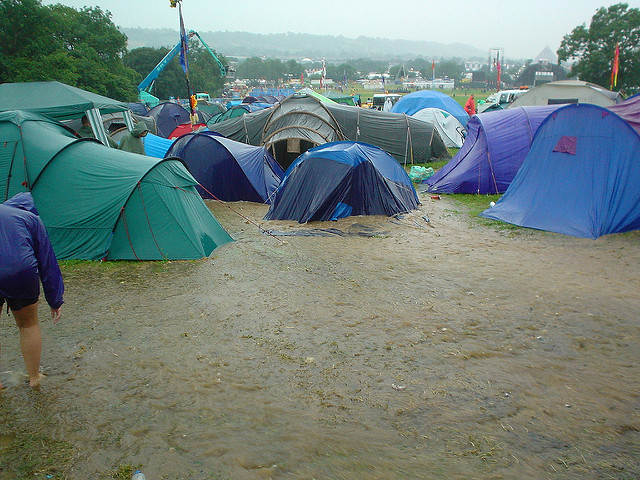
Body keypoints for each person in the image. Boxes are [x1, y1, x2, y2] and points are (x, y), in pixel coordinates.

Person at [0, 192, 64, 389]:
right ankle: (34, 378)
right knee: (28, 326)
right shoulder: (32, 219)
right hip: (21, 271)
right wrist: (55, 299)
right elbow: (47, 262)